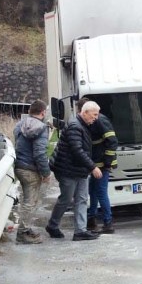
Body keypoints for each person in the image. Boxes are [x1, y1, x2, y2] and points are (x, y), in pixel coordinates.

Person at [46, 100, 102, 241]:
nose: (96, 118)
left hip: (80, 169)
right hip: (67, 170)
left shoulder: (84, 125)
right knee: (66, 199)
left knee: (82, 199)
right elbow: (77, 150)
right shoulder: (75, 126)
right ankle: (52, 225)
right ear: (85, 113)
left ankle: (80, 231)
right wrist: (93, 167)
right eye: (94, 115)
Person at [12, 99, 51, 244]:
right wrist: (46, 173)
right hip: (31, 169)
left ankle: (26, 229)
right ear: (43, 112)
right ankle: (23, 233)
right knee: (30, 202)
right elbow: (40, 153)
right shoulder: (42, 128)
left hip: (19, 166)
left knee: (27, 201)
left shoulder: (20, 125)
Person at [78, 97, 118, 234]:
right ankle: (91, 219)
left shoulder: (100, 120)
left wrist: (107, 162)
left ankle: (108, 223)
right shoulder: (92, 121)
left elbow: (112, 141)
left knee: (100, 192)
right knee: (93, 191)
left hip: (102, 164)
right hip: (96, 163)